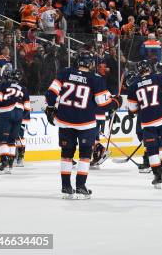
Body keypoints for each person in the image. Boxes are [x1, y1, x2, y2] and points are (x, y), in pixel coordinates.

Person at [45, 51, 121, 198]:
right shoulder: (96, 79)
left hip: (65, 120)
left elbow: (50, 93)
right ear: (91, 64)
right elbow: (103, 104)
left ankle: (66, 186)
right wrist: (116, 102)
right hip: (85, 123)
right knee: (85, 155)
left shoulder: (65, 72)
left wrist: (50, 107)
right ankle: (80, 186)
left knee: (66, 154)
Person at [127, 60, 162, 188]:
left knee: (152, 150)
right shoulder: (160, 78)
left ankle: (157, 177)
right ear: (150, 68)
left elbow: (133, 109)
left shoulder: (134, 85)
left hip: (147, 123)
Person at [0, 65, 30, 175]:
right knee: (12, 140)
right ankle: (10, 166)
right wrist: (20, 116)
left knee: (3, 139)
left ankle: (4, 163)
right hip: (19, 113)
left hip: (6, 112)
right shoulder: (24, 89)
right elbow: (27, 108)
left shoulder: (3, 85)